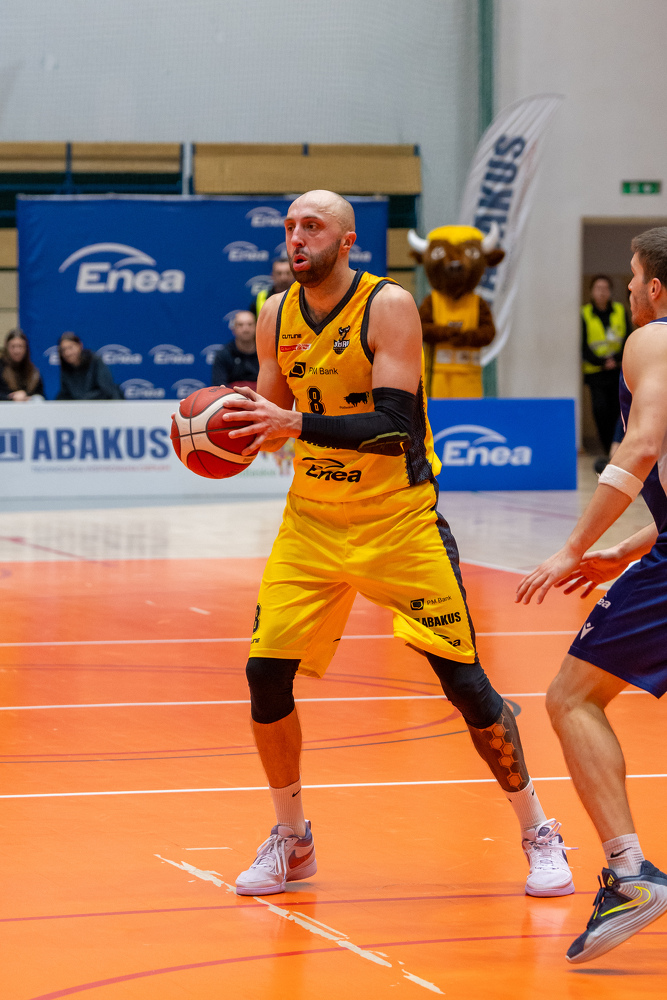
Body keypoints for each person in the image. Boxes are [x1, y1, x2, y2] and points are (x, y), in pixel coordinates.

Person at [221, 189, 573, 899]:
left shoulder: (387, 306)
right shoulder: (275, 314)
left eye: (312, 226)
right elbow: (271, 423)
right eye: (289, 227)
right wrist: (221, 433)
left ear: (347, 241)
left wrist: (293, 426)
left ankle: (538, 829)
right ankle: (292, 839)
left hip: (398, 520)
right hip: (312, 522)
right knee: (265, 676)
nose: (296, 238)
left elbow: (393, 428)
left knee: (465, 685)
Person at [517, 227, 667, 964]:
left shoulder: (653, 339)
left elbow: (641, 446)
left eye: (633, 277)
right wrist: (629, 548)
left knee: (571, 698)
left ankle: (630, 873)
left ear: (655, 288)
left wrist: (574, 547)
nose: (629, 288)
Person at [581, 275, 630, 472]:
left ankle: (618, 453)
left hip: (618, 370)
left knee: (619, 412)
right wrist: (602, 362)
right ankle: (609, 451)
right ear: (592, 291)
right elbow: (583, 345)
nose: (602, 292)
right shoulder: (585, 313)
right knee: (600, 411)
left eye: (605, 288)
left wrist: (615, 360)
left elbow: (627, 337)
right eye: (598, 288)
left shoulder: (619, 310)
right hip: (596, 372)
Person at [56, 333, 123, 400]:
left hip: (102, 404)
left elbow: (105, 390)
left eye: (70, 348)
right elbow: (65, 394)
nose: (67, 353)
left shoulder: (95, 361)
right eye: (63, 350)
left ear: (80, 345)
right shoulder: (65, 367)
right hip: (79, 405)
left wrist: (82, 401)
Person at [211, 310, 259, 390]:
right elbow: (219, 387)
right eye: (240, 325)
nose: (246, 329)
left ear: (256, 327)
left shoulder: (265, 354)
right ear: (233, 329)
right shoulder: (223, 355)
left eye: (250, 324)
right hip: (232, 397)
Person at [0, 329, 45, 401]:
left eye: (20, 346)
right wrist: (11, 397)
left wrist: (27, 397)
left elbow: (41, 396)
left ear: (26, 348)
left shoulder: (33, 372)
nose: (16, 351)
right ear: (7, 348)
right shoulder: (1, 368)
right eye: (13, 346)